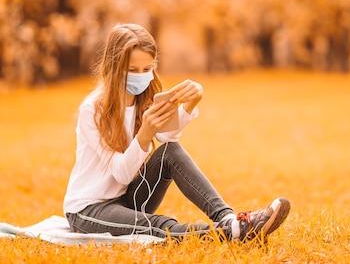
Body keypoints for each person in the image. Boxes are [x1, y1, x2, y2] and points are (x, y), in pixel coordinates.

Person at [63, 23, 290, 242]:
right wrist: (144, 133)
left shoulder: (144, 99)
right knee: (157, 224)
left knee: (171, 152)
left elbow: (167, 138)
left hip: (127, 200)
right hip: (89, 209)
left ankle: (228, 218)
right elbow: (120, 174)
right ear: (113, 67)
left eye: (146, 69)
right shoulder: (92, 111)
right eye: (132, 70)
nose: (140, 76)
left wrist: (191, 103)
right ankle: (235, 232)